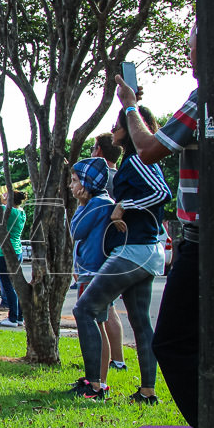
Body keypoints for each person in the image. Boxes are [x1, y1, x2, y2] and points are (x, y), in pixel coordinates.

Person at [116, 23, 200, 427]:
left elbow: (154, 172)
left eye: (191, 46)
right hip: (183, 242)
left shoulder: (203, 98)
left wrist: (129, 106)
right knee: (138, 319)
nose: (188, 55)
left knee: (94, 307)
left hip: (157, 245)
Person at [69, 105, 171, 401]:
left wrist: (125, 206)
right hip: (146, 250)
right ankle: (147, 392)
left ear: (130, 128)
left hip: (133, 250)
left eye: (117, 125)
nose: (113, 130)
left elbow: (161, 192)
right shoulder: (138, 160)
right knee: (140, 321)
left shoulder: (139, 159)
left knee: (84, 309)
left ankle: (94, 386)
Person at [67, 157, 117, 393]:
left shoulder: (97, 204)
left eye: (75, 181)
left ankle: (96, 383)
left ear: (87, 184)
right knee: (99, 324)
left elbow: (75, 231)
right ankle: (98, 380)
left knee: (94, 325)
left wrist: (81, 203)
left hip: (95, 271)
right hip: (93, 270)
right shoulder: (99, 202)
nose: (71, 185)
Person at [91, 132, 128, 371]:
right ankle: (118, 360)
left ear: (101, 152)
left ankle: (108, 364)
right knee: (111, 307)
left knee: (103, 311)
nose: (92, 152)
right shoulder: (121, 177)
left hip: (101, 250)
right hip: (119, 248)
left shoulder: (100, 181)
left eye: (94, 148)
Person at [0, 190, 27, 328]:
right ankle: (19, 316)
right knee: (15, 284)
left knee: (7, 285)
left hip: (4, 251)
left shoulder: (8, 211)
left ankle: (12, 318)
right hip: (17, 249)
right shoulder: (21, 212)